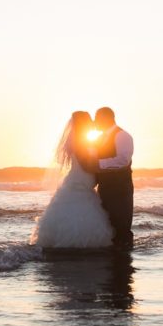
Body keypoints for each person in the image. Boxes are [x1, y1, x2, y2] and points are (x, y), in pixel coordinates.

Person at [29, 111, 114, 249]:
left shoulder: (80, 140)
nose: (92, 122)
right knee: (79, 208)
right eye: (89, 120)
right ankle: (75, 243)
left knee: (78, 207)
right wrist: (101, 167)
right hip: (80, 178)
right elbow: (87, 165)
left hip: (79, 178)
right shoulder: (80, 142)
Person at [91, 107, 134, 251]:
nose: (95, 122)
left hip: (120, 188)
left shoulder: (122, 135)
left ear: (106, 118)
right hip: (105, 187)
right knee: (109, 222)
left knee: (122, 223)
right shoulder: (100, 137)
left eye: (97, 119)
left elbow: (123, 160)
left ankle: (125, 258)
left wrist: (98, 164)